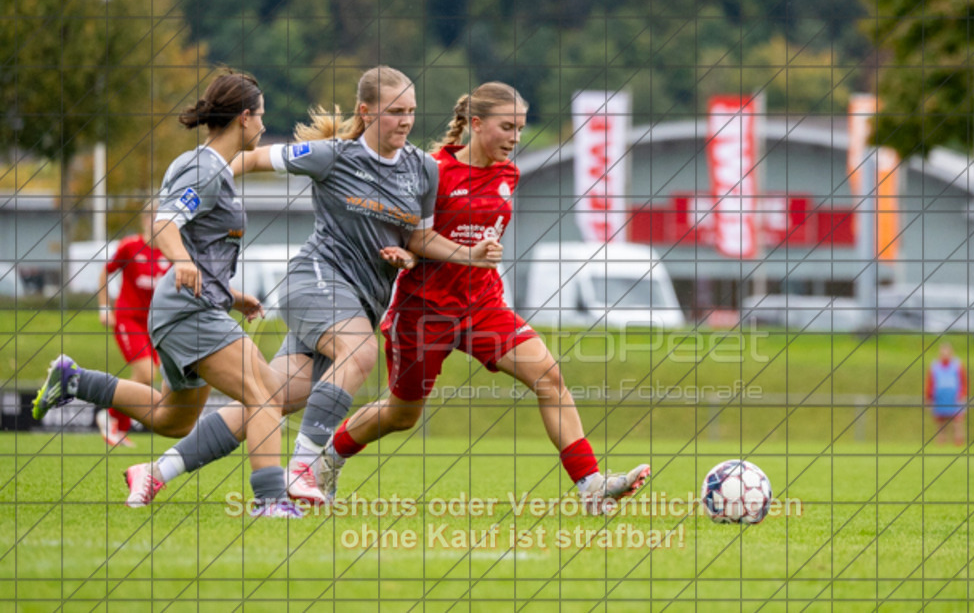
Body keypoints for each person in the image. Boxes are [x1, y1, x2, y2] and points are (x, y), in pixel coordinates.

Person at [326, 82, 651, 513]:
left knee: (549, 378)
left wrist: (479, 256)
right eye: (507, 127)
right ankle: (327, 455)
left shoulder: (508, 175)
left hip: (483, 306)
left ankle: (589, 484)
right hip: (425, 312)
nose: (515, 138)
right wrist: (408, 252)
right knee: (402, 414)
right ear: (476, 125)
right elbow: (406, 233)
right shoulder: (432, 171)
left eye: (520, 128)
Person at [213, 65, 502, 506]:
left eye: (411, 111)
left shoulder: (423, 169)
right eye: (395, 111)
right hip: (316, 279)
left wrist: (468, 255)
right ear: (366, 112)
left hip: (361, 300)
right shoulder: (331, 154)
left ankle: (159, 469)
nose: (406, 121)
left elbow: (419, 239)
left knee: (269, 396)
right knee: (361, 350)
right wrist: (194, 185)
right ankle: (302, 469)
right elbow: (248, 159)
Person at [32, 71, 302, 518]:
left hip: (190, 308)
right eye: (262, 117)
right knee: (264, 394)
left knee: (172, 419)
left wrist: (230, 295)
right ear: (244, 117)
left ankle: (74, 380)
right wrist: (180, 261)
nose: (262, 126)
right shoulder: (204, 167)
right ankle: (270, 500)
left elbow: (197, 245)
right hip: (188, 314)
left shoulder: (210, 168)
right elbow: (164, 224)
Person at [95, 205, 171, 447]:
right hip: (128, 319)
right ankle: (109, 417)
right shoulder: (130, 246)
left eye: (159, 216)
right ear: (143, 220)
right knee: (147, 373)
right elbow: (103, 273)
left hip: (155, 325)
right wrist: (104, 307)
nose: (154, 221)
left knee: (144, 377)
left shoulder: (170, 252)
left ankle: (115, 422)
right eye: (150, 216)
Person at [926, 342, 968, 446]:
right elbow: (930, 382)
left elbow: (963, 381)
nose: (944, 354)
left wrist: (963, 395)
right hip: (940, 397)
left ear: (951, 352)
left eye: (946, 352)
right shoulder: (935, 366)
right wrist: (929, 397)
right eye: (942, 352)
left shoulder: (957, 365)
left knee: (957, 422)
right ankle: (941, 444)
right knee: (940, 424)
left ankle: (959, 444)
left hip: (955, 397)